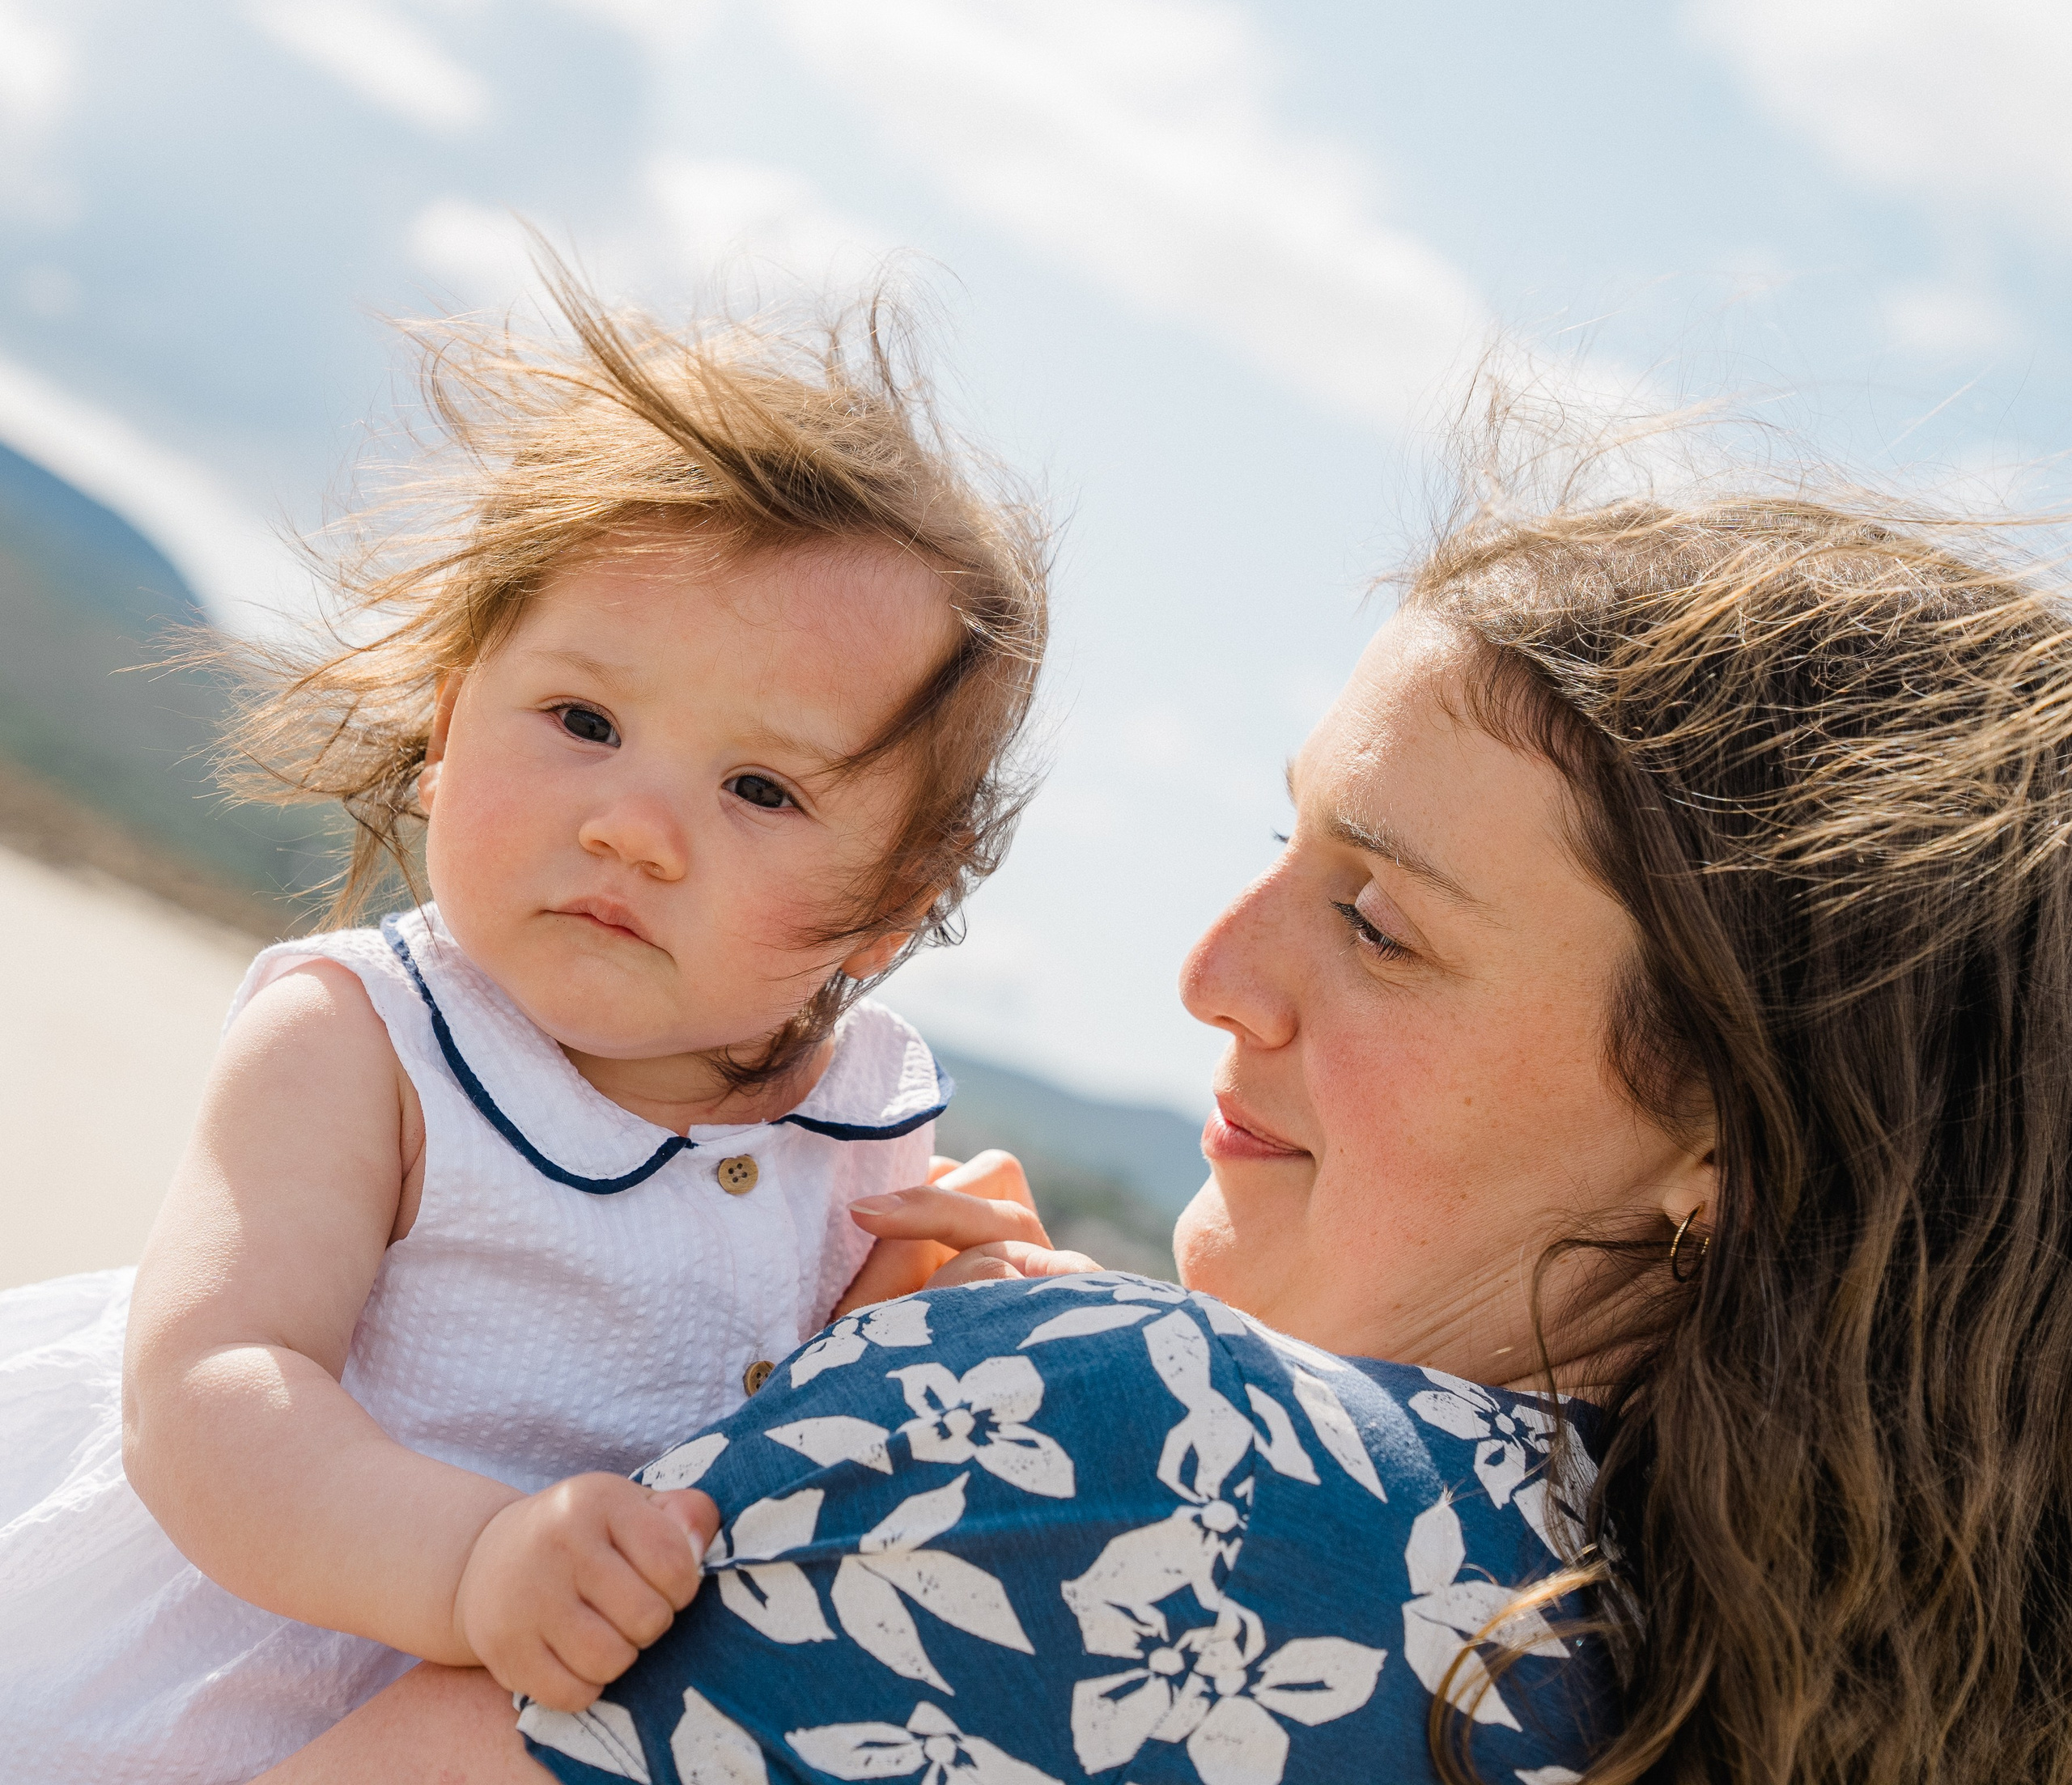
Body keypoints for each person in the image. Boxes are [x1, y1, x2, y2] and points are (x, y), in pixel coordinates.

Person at [263, 472, 2072, 1785]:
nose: (1213, 970)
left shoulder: (1145, 1458)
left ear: (1732, 1135)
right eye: (1280, 846)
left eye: (1376, 922)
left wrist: (946, 1424)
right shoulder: (1737, 1688)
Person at [0, 272, 1048, 1783]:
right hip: (173, 1692)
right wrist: (475, 1557)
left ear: (890, 908)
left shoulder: (866, 1131)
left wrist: (948, 1316)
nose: (632, 827)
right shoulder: (368, 1041)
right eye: (583, 720)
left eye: (760, 790)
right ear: (445, 722)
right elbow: (209, 1389)